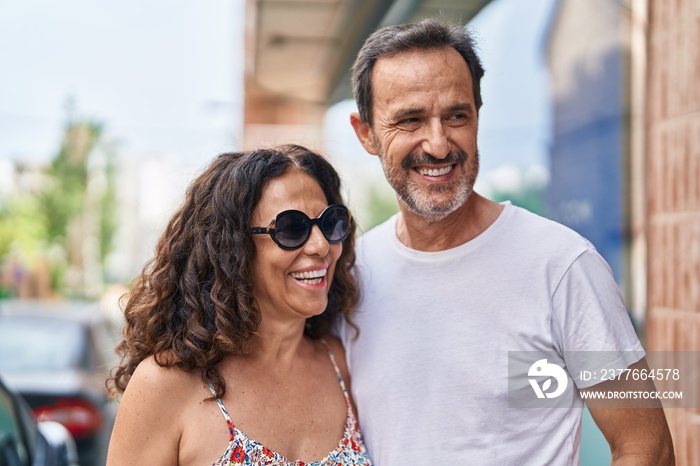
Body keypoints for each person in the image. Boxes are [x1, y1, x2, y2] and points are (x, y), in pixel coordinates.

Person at [338, 19, 674, 465]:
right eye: (410, 120)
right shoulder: (353, 273)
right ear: (366, 134)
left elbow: (646, 447)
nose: (438, 145)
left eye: (456, 116)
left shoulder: (561, 265)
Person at [106, 145, 372, 466]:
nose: (321, 246)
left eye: (331, 223)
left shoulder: (343, 365)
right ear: (232, 251)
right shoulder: (165, 384)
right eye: (291, 228)